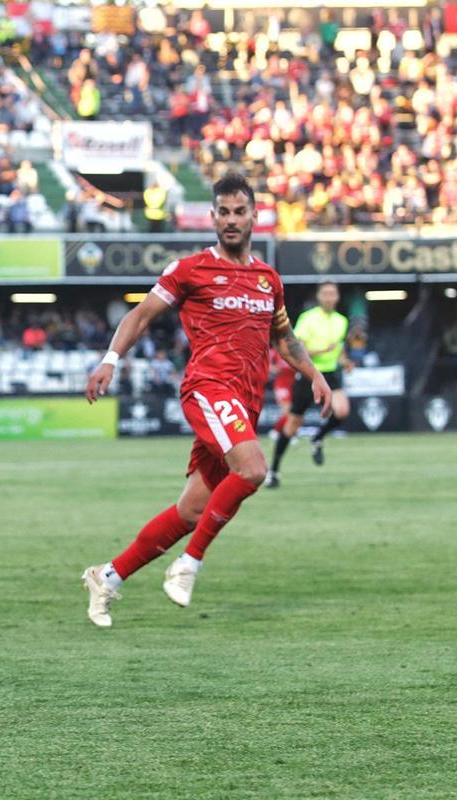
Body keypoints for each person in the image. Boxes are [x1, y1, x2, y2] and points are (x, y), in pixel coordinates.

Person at [80, 173, 331, 627]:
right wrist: (110, 360)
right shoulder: (190, 270)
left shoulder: (267, 279)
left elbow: (284, 336)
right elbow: (140, 316)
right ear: (212, 217)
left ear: (254, 216)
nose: (232, 220)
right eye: (224, 213)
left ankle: (108, 576)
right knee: (254, 469)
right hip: (209, 390)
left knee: (193, 509)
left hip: (244, 405)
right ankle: (189, 563)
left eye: (240, 211)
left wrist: (314, 374)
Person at [266, 282, 351, 488]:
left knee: (342, 411)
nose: (329, 297)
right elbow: (297, 350)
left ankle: (317, 438)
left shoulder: (342, 321)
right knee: (293, 423)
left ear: (337, 297)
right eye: (325, 293)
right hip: (309, 374)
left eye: (333, 293)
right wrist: (322, 350)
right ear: (319, 296)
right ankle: (274, 470)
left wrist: (346, 361)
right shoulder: (308, 318)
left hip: (331, 374)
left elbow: (338, 349)